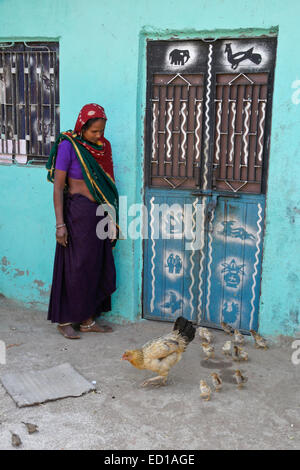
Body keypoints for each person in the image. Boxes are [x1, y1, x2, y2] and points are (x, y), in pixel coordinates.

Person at [46, 103, 119, 339]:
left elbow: (108, 185)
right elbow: (58, 188)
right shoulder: (69, 146)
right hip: (76, 214)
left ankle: (88, 320)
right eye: (94, 131)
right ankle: (65, 320)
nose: (99, 135)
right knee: (75, 267)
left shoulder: (103, 147)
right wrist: (60, 225)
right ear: (82, 126)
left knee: (96, 266)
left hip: (99, 214)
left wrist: (111, 218)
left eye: (101, 131)